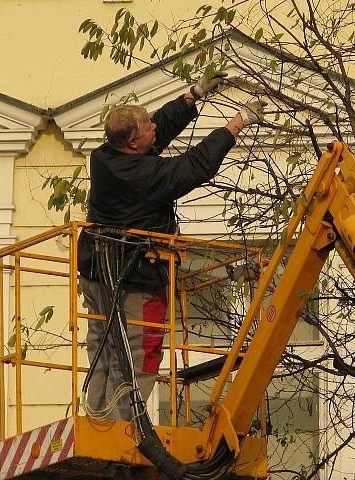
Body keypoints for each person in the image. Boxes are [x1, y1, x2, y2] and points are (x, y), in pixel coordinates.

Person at [77, 70, 265, 420]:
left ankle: (95, 421)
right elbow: (194, 166)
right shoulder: (144, 176)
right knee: (139, 349)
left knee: (102, 344)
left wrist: (190, 97)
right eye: (146, 124)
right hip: (134, 277)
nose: (154, 126)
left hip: (97, 270)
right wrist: (235, 125)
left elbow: (155, 131)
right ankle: (122, 426)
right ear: (132, 142)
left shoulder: (106, 156)